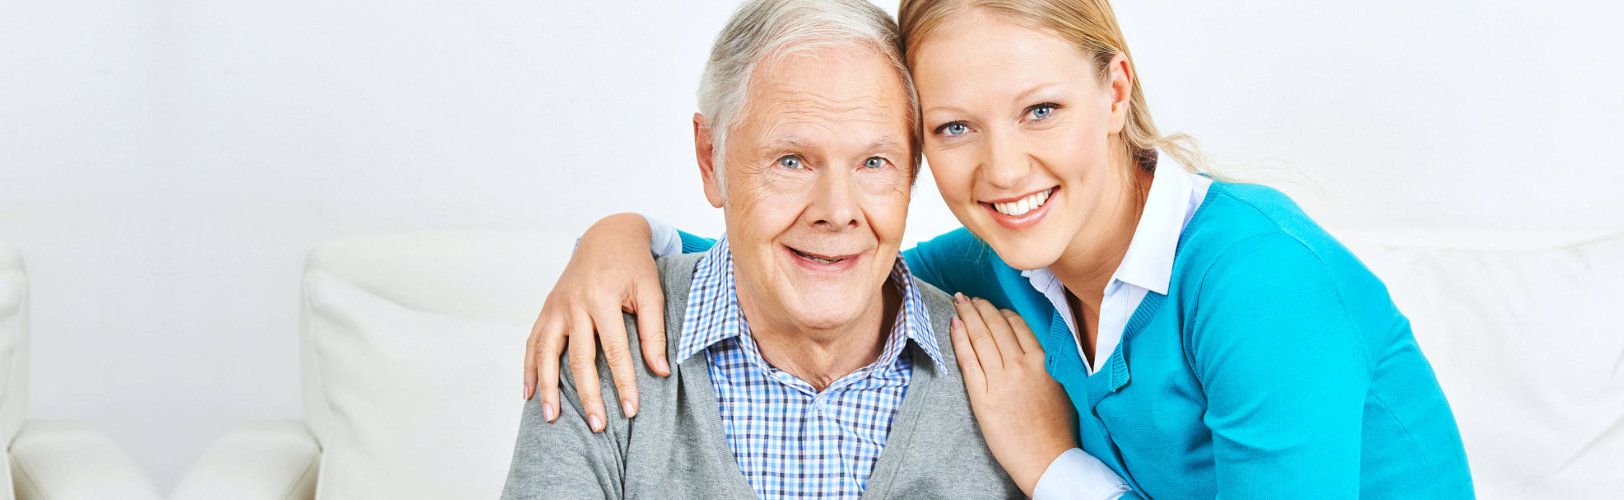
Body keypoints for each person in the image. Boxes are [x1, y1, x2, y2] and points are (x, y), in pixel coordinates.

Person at [526, 0, 1477, 497]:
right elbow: (808, 256)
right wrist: (618, 241)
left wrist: (1051, 465)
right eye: (952, 128)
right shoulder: (1007, 267)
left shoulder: (1258, 281)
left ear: (1114, 94)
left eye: (1042, 110)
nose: (1003, 168)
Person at [501, 0, 1020, 498]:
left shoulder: (1004, 369)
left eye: (874, 162)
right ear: (711, 159)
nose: (837, 211)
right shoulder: (608, 339)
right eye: (791, 161)